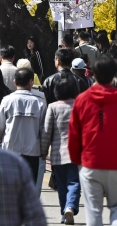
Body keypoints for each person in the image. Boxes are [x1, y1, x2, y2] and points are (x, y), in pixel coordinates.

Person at [69, 54, 117, 226]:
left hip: (89, 161)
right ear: (114, 74)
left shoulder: (82, 100)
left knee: (93, 211)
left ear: (93, 73)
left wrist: (76, 160)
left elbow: (73, 134)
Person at [42, 75, 81, 223]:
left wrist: (43, 150)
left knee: (61, 185)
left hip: (58, 154)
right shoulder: (79, 106)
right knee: (74, 182)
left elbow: (47, 131)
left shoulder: (52, 107)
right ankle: (70, 207)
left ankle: (64, 213)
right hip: (76, 153)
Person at [0, 67, 46, 176]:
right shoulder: (40, 101)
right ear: (31, 82)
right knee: (29, 187)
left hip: (10, 150)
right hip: (32, 152)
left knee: (10, 187)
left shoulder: (7, 100)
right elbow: (44, 128)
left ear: (14, 82)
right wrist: (44, 150)